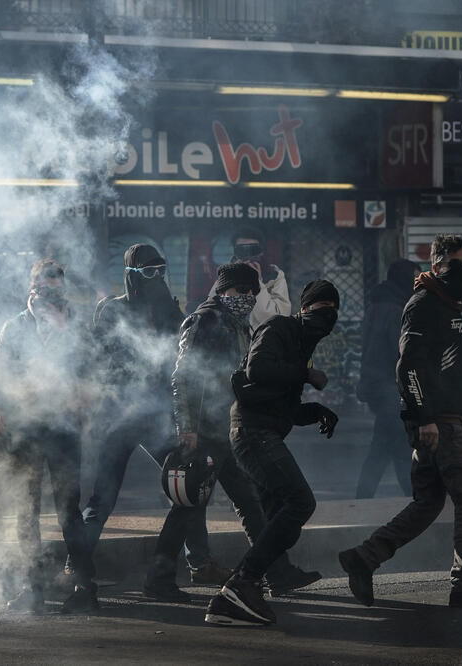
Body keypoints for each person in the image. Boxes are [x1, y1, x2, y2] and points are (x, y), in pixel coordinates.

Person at [338, 234, 462, 610]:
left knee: (427, 503)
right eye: (454, 264)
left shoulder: (448, 305)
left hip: (440, 418)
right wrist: (425, 419)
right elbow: (409, 365)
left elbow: (441, 366)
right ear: (435, 266)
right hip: (438, 423)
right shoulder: (423, 304)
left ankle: (364, 557)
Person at [146, 263, 319, 602]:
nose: (249, 298)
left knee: (250, 503)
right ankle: (159, 579)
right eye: (243, 291)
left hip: (227, 430)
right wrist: (187, 428)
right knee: (188, 506)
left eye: (253, 293)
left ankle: (277, 571)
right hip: (205, 432)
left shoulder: (238, 325)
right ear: (225, 290)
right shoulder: (203, 320)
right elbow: (183, 377)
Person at [81, 244, 222, 582]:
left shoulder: (170, 311)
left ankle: (199, 563)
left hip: (158, 416)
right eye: (148, 272)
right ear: (131, 275)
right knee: (103, 498)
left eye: (161, 270)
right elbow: (99, 361)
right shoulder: (112, 310)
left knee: (189, 487)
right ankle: (77, 566)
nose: (156, 278)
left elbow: (180, 361)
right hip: (120, 416)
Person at [203, 279, 340, 627]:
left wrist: (316, 413)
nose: (329, 317)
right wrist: (307, 374)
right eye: (322, 309)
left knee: (278, 513)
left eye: (335, 312)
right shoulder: (279, 328)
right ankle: (241, 584)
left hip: (263, 430)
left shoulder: (299, 346)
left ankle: (253, 586)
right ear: (304, 309)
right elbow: (257, 370)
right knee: (300, 502)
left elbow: (285, 407)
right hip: (251, 433)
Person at [0, 260, 97, 613]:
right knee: (25, 511)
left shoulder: (76, 324)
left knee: (68, 512)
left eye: (56, 287)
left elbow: (94, 367)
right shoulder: (16, 325)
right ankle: (31, 590)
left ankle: (86, 590)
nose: (50, 293)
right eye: (43, 287)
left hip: (63, 429)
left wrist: (85, 393)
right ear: (32, 288)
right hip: (25, 428)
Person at [354, 259, 418, 499]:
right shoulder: (397, 310)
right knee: (393, 447)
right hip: (391, 388)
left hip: (378, 387)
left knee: (386, 445)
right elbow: (401, 353)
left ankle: (365, 496)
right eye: (414, 277)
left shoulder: (377, 306)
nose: (417, 282)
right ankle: (415, 500)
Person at [209, 226, 290, 330]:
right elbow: (211, 308)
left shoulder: (274, 276)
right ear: (235, 253)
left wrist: (257, 282)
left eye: (253, 249)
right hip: (233, 339)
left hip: (263, 340)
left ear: (261, 251)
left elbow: (276, 320)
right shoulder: (226, 275)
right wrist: (231, 277)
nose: (248, 255)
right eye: (242, 250)